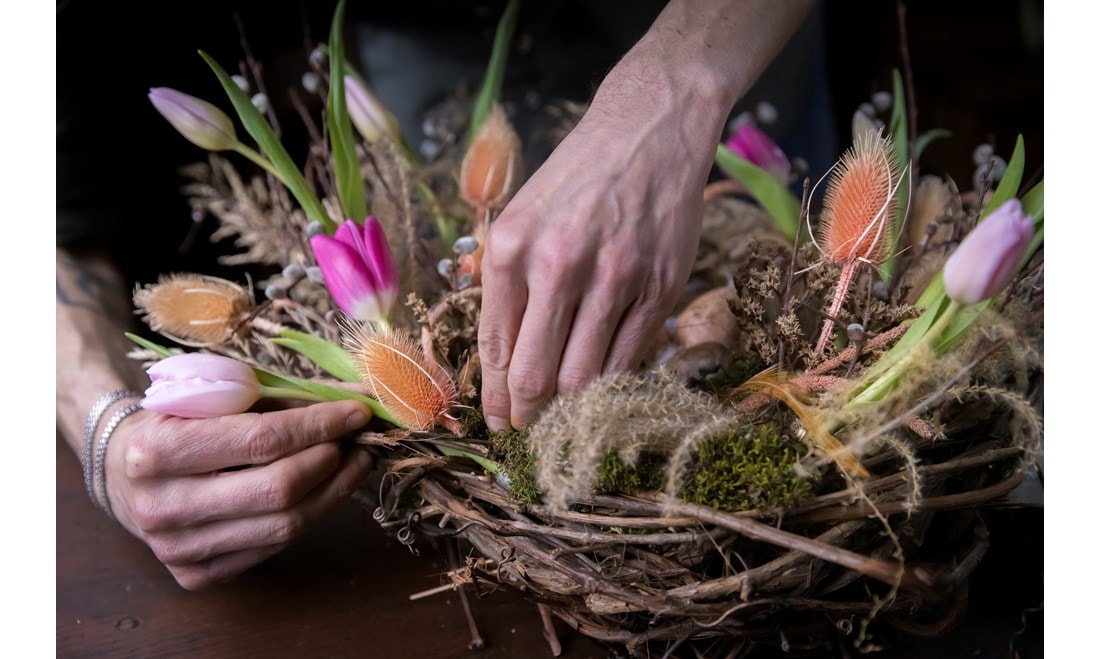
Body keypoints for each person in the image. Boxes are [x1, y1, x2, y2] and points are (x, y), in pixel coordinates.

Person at [57, 0, 819, 589]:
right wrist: (103, 432)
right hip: (432, 66)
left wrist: (676, 90)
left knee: (778, 288)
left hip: (729, 47)